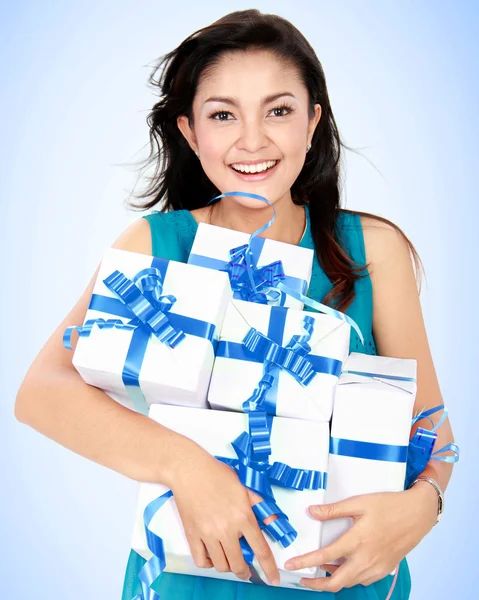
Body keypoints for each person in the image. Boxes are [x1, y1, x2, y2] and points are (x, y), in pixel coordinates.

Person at [15, 9, 456, 600]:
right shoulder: (156, 245)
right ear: (191, 133)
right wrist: (184, 465)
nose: (253, 140)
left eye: (279, 111)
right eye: (223, 115)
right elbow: (42, 391)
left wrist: (423, 510)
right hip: (190, 578)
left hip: (346, 579)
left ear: (312, 123)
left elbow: (433, 433)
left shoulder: (372, 251)